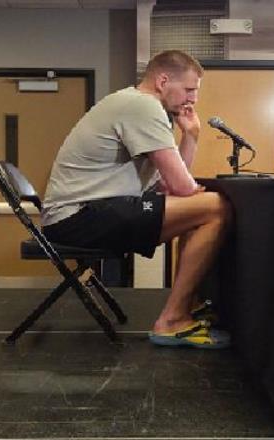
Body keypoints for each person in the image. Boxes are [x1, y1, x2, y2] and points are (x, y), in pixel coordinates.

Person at [42, 50, 232, 349]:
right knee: (216, 206)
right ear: (163, 81)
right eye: (189, 89)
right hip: (78, 217)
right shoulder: (143, 106)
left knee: (199, 212)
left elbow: (170, 187)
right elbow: (182, 187)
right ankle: (172, 320)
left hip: (85, 214)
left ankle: (187, 305)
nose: (193, 99)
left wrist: (191, 136)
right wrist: (190, 188)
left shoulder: (139, 105)